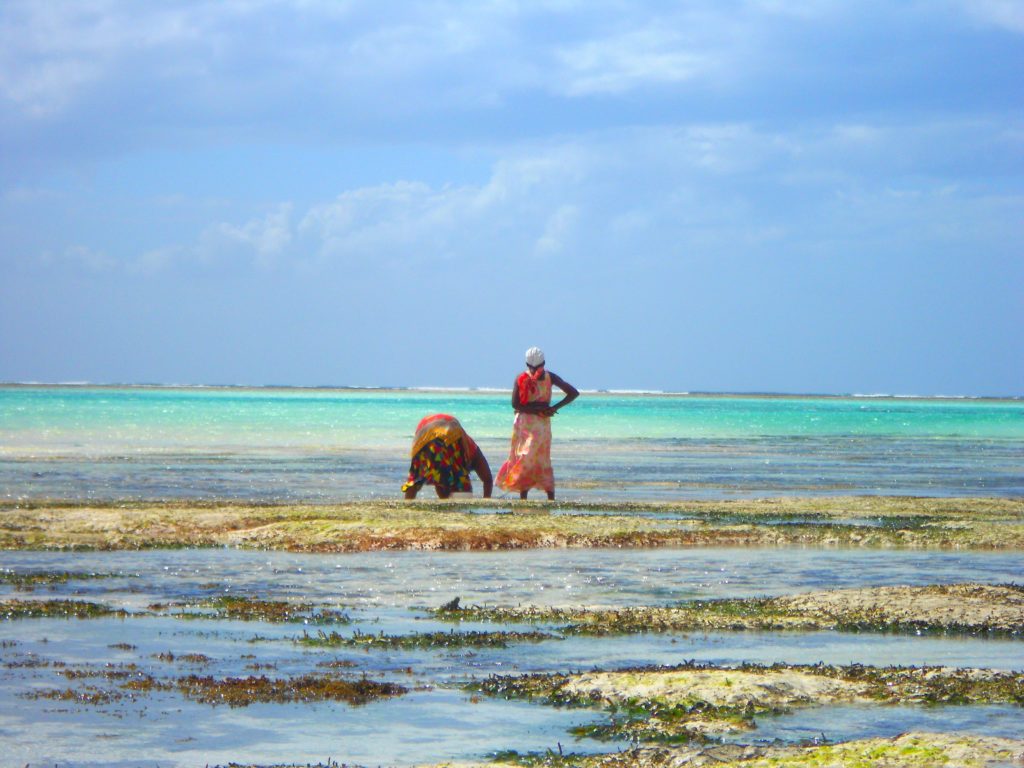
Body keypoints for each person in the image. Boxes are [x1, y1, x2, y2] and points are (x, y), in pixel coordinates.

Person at [496, 346, 578, 500]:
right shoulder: (547, 377)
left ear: (527, 364)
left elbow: (516, 405)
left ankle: (531, 496)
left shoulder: (524, 377)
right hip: (537, 424)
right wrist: (547, 409)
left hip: (528, 423)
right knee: (537, 458)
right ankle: (542, 497)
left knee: (528, 457)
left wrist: (551, 408)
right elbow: (573, 393)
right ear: (544, 363)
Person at [402, 414, 493, 499]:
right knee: (458, 484)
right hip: (449, 430)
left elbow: (488, 480)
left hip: (424, 430)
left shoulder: (470, 448)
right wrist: (487, 500)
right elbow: (488, 479)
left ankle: (406, 507)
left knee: (416, 475)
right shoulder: (473, 453)